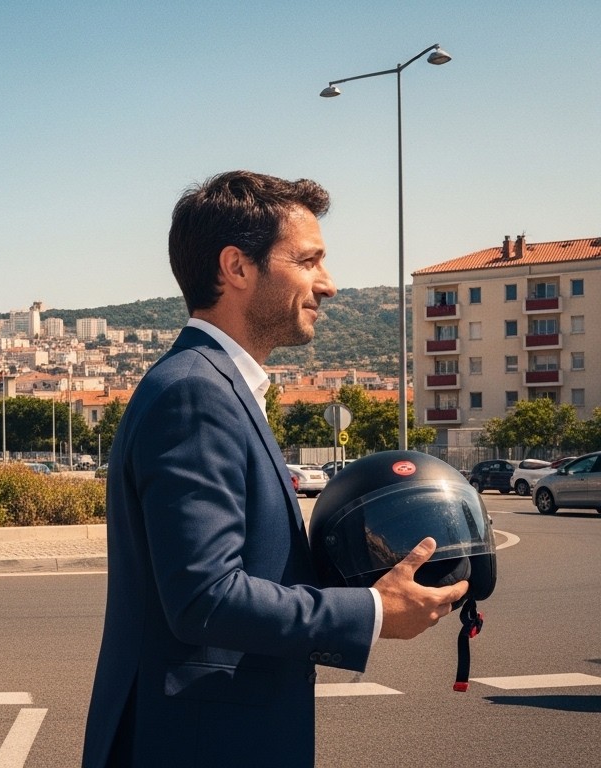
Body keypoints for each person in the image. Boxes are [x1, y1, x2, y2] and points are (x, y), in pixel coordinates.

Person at [82, 171, 469, 767]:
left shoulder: (213, 384)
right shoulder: (196, 393)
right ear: (237, 267)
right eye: (308, 260)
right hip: (197, 743)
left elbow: (246, 567)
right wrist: (370, 612)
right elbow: (204, 597)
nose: (330, 284)